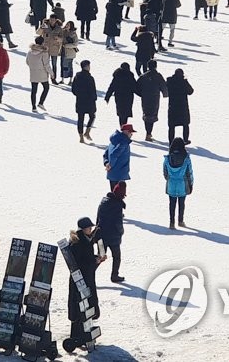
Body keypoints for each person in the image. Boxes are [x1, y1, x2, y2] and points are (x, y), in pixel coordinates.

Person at [66, 217, 104, 346]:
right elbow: (80, 263)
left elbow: (86, 260)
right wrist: (94, 261)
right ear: (83, 229)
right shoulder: (78, 243)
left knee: (85, 308)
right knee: (80, 308)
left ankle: (83, 335)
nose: (91, 229)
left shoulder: (85, 240)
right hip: (80, 281)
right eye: (89, 228)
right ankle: (79, 336)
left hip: (86, 279)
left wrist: (96, 260)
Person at [96, 181, 127, 283]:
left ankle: (88, 274)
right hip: (113, 237)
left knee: (99, 257)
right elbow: (118, 223)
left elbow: (98, 217)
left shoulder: (103, 201)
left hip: (101, 235)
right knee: (117, 257)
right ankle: (114, 276)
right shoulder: (118, 205)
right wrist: (121, 232)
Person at [163, 138, 194, 229]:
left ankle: (171, 223)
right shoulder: (186, 158)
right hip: (182, 183)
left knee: (171, 203)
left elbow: (165, 172)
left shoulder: (168, 158)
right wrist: (191, 184)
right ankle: (180, 221)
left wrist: (169, 179)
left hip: (171, 183)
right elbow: (189, 173)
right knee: (181, 203)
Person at [134, 59, 168, 141]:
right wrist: (165, 94)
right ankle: (148, 133)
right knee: (152, 115)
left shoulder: (143, 76)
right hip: (155, 98)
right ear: (156, 66)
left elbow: (136, 87)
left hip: (145, 98)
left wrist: (141, 94)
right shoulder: (158, 76)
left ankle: (148, 132)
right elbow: (163, 86)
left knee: (146, 114)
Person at [165, 68, 194, 145]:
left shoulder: (169, 81)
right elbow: (191, 91)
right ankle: (185, 140)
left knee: (171, 126)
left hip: (172, 106)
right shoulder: (183, 82)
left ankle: (171, 141)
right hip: (182, 107)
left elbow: (165, 90)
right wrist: (186, 81)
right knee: (185, 124)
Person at [104, 62, 137, 127]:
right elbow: (135, 86)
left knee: (121, 113)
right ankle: (124, 127)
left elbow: (112, 86)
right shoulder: (130, 75)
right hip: (128, 97)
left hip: (119, 97)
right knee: (126, 113)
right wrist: (142, 94)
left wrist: (107, 96)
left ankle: (122, 127)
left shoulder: (117, 75)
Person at [71, 60, 97, 143]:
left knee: (80, 119)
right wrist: (94, 98)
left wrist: (79, 95)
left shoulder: (77, 76)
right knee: (92, 116)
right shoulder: (90, 78)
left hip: (80, 100)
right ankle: (87, 132)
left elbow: (73, 89)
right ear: (86, 67)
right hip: (89, 101)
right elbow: (93, 90)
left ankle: (81, 136)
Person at [26, 35, 52, 112]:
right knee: (46, 87)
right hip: (42, 73)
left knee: (34, 90)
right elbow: (46, 64)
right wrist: (51, 73)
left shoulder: (30, 51)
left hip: (33, 72)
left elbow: (27, 61)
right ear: (43, 43)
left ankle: (33, 107)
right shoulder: (44, 52)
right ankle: (41, 103)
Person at [103, 124, 134, 189]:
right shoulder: (124, 142)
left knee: (113, 194)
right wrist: (110, 165)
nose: (131, 134)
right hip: (120, 174)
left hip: (112, 174)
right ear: (126, 131)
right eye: (130, 132)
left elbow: (106, 154)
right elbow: (113, 155)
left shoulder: (114, 140)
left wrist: (106, 163)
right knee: (118, 195)